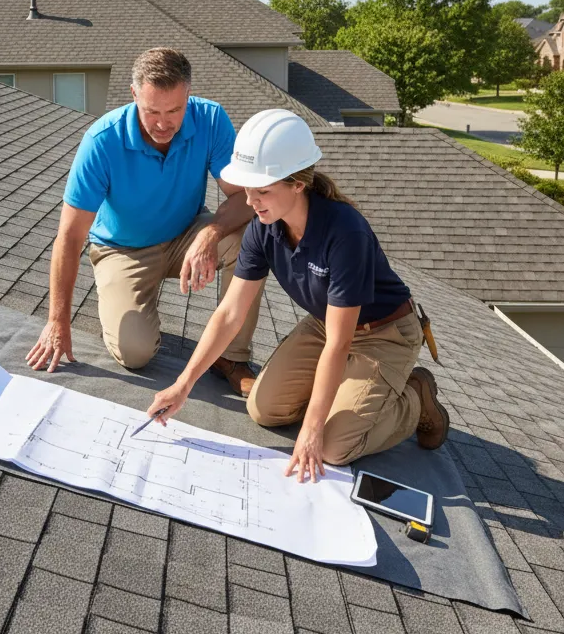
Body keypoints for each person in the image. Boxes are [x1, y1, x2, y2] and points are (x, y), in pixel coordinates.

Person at [147, 108, 450, 483]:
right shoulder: (264, 227)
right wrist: (183, 384)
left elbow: (340, 345)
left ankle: (416, 396)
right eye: (247, 189)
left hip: (383, 333)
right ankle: (345, 396)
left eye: (262, 190)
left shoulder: (344, 233)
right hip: (328, 324)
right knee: (264, 409)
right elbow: (229, 314)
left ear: (297, 184)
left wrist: (311, 430)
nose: (251, 201)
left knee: (332, 447)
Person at [25, 47, 261, 395]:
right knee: (135, 354)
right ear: (134, 95)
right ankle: (125, 303)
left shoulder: (210, 120)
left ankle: (231, 356)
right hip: (122, 249)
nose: (164, 123)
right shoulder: (102, 141)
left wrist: (210, 233)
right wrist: (57, 320)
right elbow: (70, 237)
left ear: (188, 96)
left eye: (175, 110)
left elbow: (245, 198)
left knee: (253, 234)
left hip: (186, 235)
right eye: (152, 111)